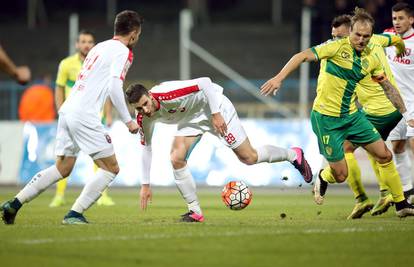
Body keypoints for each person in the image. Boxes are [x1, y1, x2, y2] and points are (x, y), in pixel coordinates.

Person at [261, 7, 414, 218]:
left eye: (366, 36)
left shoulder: (372, 57)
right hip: (326, 119)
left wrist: (406, 115)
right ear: (350, 31)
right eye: (357, 34)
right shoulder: (334, 47)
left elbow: (387, 87)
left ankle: (401, 204)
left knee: (384, 154)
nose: (361, 39)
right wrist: (279, 77)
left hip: (352, 116)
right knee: (341, 175)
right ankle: (324, 176)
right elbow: (301, 56)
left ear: (371, 36)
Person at [0, 10, 142, 225]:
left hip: (68, 110)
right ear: (133, 34)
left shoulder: (99, 47)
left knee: (63, 168)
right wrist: (128, 120)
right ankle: (74, 213)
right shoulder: (123, 52)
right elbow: (114, 85)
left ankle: (14, 204)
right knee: (111, 168)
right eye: (138, 35)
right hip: (85, 114)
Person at [126, 77, 313, 222]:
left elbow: (205, 82)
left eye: (146, 103)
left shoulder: (168, 93)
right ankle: (195, 212)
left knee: (249, 157)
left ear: (150, 95)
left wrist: (216, 114)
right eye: (139, 108)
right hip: (191, 119)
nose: (145, 110)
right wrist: (145, 185)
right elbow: (146, 148)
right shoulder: (143, 118)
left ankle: (292, 154)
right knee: (176, 158)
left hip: (214, 107)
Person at [328, 15, 407, 219]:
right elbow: (396, 39)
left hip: (380, 110)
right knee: (377, 149)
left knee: (347, 147)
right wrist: (400, 49)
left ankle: (363, 197)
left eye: (338, 37)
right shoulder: (379, 39)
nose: (336, 41)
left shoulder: (352, 57)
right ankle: (386, 193)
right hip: (395, 107)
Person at [50, 30, 115, 208]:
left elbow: (107, 91)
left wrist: (109, 114)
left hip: (94, 117)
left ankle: (103, 196)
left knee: (100, 157)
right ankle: (59, 195)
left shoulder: (99, 64)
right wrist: (60, 110)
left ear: (94, 45)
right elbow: (59, 88)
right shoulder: (66, 64)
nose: (87, 45)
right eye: (83, 41)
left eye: (90, 41)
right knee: (65, 157)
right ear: (77, 44)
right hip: (72, 117)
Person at [384, 2, 414, 205]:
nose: (397, 22)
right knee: (397, 148)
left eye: (401, 18)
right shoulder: (386, 38)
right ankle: (408, 191)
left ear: (411, 19)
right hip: (395, 106)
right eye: (394, 18)